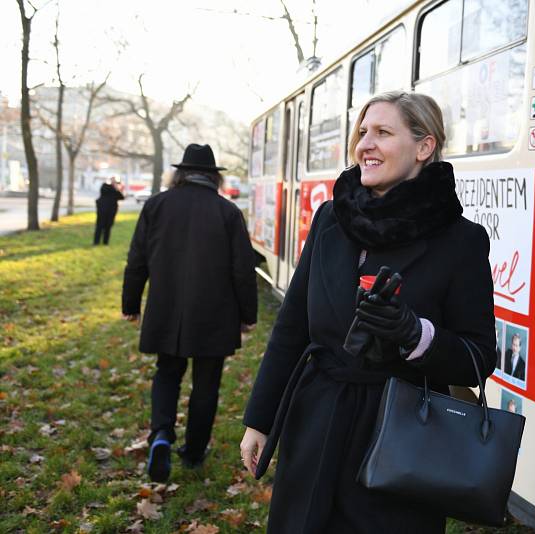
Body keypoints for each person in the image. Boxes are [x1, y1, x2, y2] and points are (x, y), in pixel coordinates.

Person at [240, 91, 495, 533]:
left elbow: (478, 356)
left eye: (382, 132)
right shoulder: (330, 219)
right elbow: (292, 325)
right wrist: (260, 420)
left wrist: (417, 336)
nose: (365, 145)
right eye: (362, 133)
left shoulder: (461, 240)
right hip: (316, 420)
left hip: (398, 437)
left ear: (424, 146)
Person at [122, 143, 257, 482]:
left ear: (179, 173)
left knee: (166, 373)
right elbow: (243, 269)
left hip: (165, 311)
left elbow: (136, 259)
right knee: (206, 384)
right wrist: (248, 314)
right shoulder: (227, 212)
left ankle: (162, 435)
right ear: (214, 177)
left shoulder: (156, 205)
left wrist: (131, 304)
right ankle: (194, 452)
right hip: (214, 315)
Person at [93, 176, 124, 245]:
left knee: (108, 226)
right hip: (102, 210)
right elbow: (104, 191)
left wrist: (117, 187)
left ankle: (105, 242)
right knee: (99, 226)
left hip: (111, 211)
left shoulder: (115, 189)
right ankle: (96, 242)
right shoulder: (105, 186)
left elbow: (121, 197)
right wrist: (114, 186)